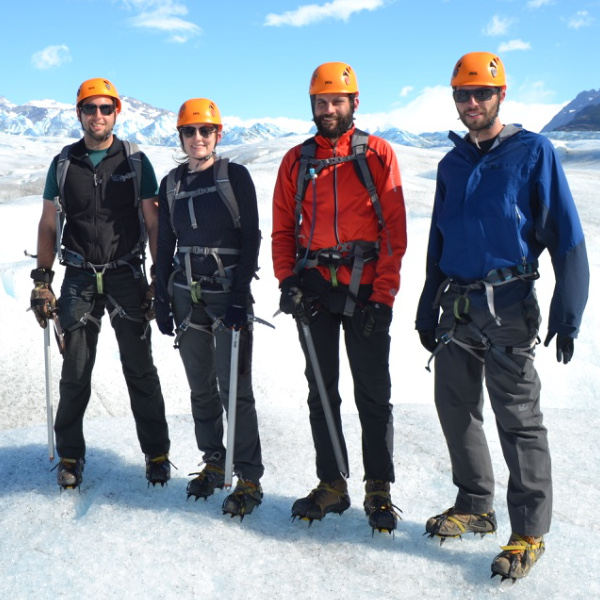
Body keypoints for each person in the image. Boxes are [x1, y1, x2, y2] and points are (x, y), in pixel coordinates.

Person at [415, 52, 589, 580]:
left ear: (501, 95)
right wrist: (428, 300)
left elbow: (567, 234)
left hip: (509, 303)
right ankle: (474, 505)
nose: (472, 103)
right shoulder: (452, 163)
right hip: (457, 306)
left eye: (481, 94)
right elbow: (438, 239)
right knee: (455, 406)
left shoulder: (534, 152)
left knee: (518, 419)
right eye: (463, 95)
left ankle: (530, 531)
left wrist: (569, 305)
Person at [272, 62, 407, 533]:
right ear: (312, 105)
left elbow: (394, 233)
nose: (329, 110)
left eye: (337, 102)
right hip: (313, 288)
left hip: (367, 287)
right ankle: (332, 483)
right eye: (321, 103)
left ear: (354, 103)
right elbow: (284, 229)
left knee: (373, 392)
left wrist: (384, 297)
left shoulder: (377, 154)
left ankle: (378, 487)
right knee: (321, 390)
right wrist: (287, 280)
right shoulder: (296, 160)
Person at [30, 77, 171, 489]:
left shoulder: (136, 161)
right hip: (77, 275)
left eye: (105, 109)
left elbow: (153, 221)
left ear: (116, 114)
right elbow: (49, 221)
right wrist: (42, 279)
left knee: (140, 368)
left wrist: (158, 279)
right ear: (79, 113)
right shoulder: (63, 163)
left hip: (126, 272)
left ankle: (157, 453)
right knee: (75, 371)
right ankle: (70, 456)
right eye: (90, 108)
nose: (97, 116)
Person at [153, 98, 264, 519]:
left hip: (225, 291)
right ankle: (215, 461)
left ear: (218, 134)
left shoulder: (234, 176)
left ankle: (249, 475)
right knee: (201, 386)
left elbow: (252, 235)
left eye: (205, 131)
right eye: (189, 132)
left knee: (234, 388)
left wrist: (240, 294)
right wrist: (162, 297)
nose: (197, 138)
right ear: (180, 136)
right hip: (185, 291)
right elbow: (166, 242)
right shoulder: (172, 182)